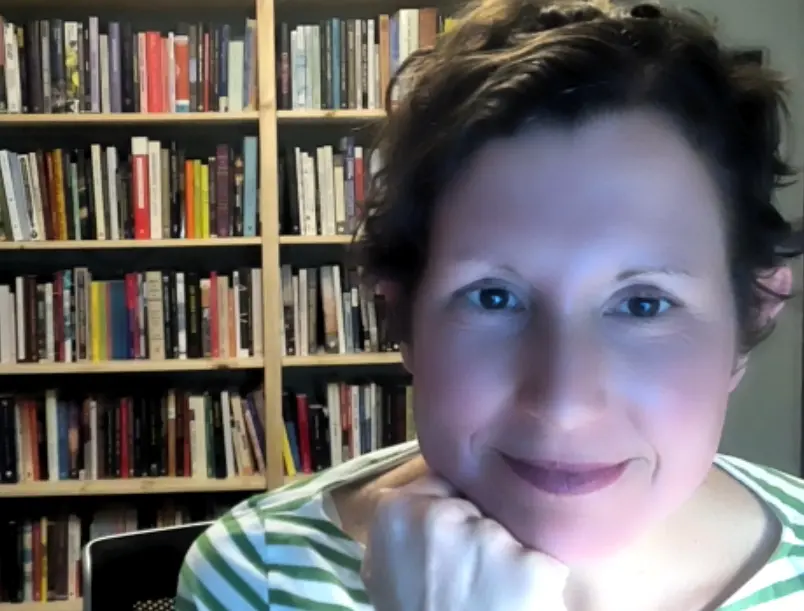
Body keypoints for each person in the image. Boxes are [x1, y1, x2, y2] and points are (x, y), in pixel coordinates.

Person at [175, 0, 804, 609]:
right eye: (494, 297)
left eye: (644, 305)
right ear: (405, 321)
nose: (562, 403)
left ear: (749, 319)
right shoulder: (260, 579)